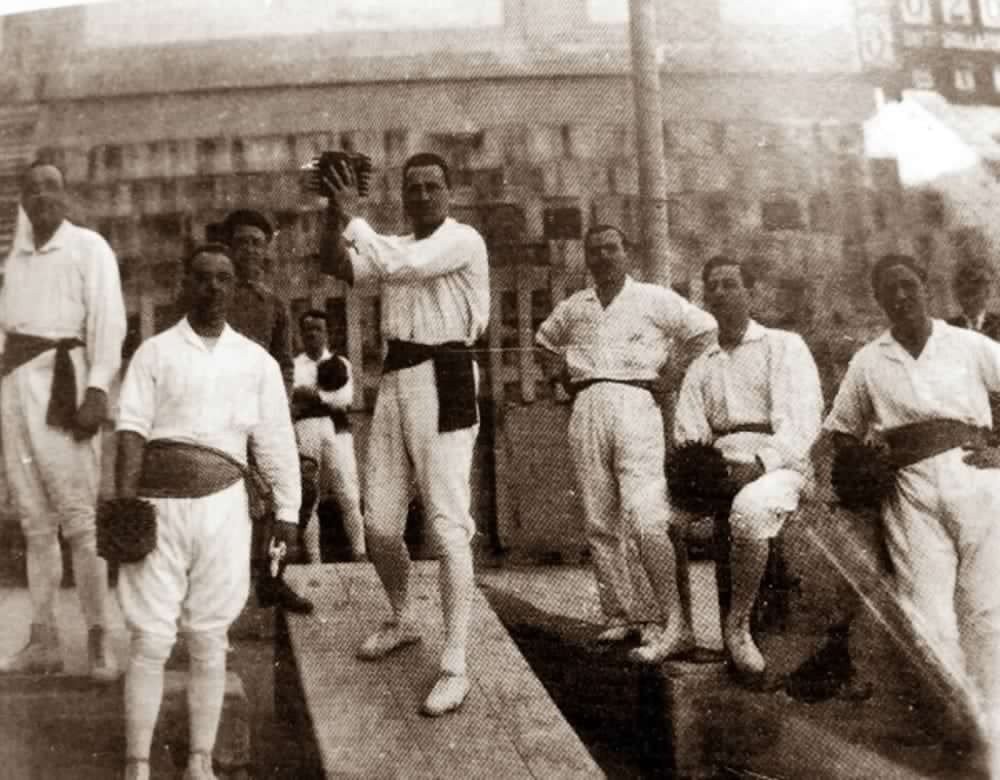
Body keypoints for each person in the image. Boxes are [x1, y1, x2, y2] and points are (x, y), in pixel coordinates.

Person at [115, 243, 300, 780]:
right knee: (150, 638)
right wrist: (125, 504)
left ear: (234, 286)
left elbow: (274, 441)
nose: (213, 288)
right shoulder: (154, 353)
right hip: (158, 508)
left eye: (223, 279)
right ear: (184, 284)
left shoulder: (255, 361)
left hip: (223, 510)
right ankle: (136, 765)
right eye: (202, 278)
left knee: (208, 637)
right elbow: (130, 432)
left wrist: (287, 508)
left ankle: (200, 763)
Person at [314, 151, 489, 716]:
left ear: (449, 193)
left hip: (447, 375)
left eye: (432, 186)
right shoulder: (396, 245)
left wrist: (353, 214)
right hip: (396, 380)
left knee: (445, 523)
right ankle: (402, 617)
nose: (421, 196)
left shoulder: (463, 240)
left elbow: (398, 265)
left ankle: (456, 662)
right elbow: (337, 262)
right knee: (379, 524)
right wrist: (330, 211)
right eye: (412, 188)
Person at [822, 253, 1000, 773]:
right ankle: (960, 728)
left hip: (978, 482)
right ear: (879, 301)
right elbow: (841, 430)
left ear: (926, 284)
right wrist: (864, 469)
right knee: (928, 616)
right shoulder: (869, 360)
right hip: (910, 493)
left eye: (908, 285)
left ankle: (993, 730)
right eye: (889, 291)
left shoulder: (965, 344)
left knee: (986, 613)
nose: (901, 297)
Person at [534, 224, 717, 664]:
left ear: (626, 253)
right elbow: (542, 343)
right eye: (594, 251)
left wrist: (674, 374)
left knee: (642, 510)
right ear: (587, 258)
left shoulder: (653, 298)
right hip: (587, 401)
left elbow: (705, 330)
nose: (603, 257)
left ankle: (658, 619)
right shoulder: (576, 306)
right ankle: (619, 613)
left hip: (637, 401)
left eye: (611, 249)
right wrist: (559, 373)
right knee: (600, 517)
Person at [0, 160, 125, 681]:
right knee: (34, 523)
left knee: (80, 520)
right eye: (34, 190)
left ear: (65, 194)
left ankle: (99, 638)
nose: (43, 196)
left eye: (52, 186)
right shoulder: (16, 259)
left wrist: (98, 389)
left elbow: (109, 322)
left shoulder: (88, 247)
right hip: (15, 393)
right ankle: (44, 638)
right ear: (24, 202)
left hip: (64, 389)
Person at [672, 256, 823, 683]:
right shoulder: (702, 363)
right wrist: (702, 473)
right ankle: (674, 624)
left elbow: (802, 421)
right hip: (721, 469)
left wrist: (761, 463)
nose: (720, 292)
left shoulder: (783, 345)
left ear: (749, 292)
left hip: (780, 466)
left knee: (751, 509)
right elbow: (688, 431)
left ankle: (736, 625)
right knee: (647, 516)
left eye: (730, 284)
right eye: (712, 286)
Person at [219, 209, 310, 613]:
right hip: (222, 416)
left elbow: (285, 362)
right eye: (242, 242)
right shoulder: (215, 296)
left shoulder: (274, 305)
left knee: (295, 489)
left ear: (266, 249)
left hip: (264, 413)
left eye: (258, 243)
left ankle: (273, 578)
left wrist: (281, 405)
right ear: (230, 248)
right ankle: (225, 584)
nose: (250, 250)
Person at [291, 309, 366, 562]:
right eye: (307, 329)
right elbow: (290, 400)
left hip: (338, 431)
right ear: (301, 334)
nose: (312, 334)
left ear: (326, 333)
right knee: (309, 495)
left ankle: (360, 553)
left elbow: (344, 399)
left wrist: (311, 395)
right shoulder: (294, 366)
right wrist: (323, 399)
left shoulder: (341, 363)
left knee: (348, 492)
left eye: (318, 329)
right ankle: (314, 559)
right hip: (306, 431)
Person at [947, 256, 1000, 340]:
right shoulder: (948, 329)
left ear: (987, 293)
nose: (970, 300)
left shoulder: (997, 325)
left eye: (975, 293)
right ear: (958, 295)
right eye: (965, 293)